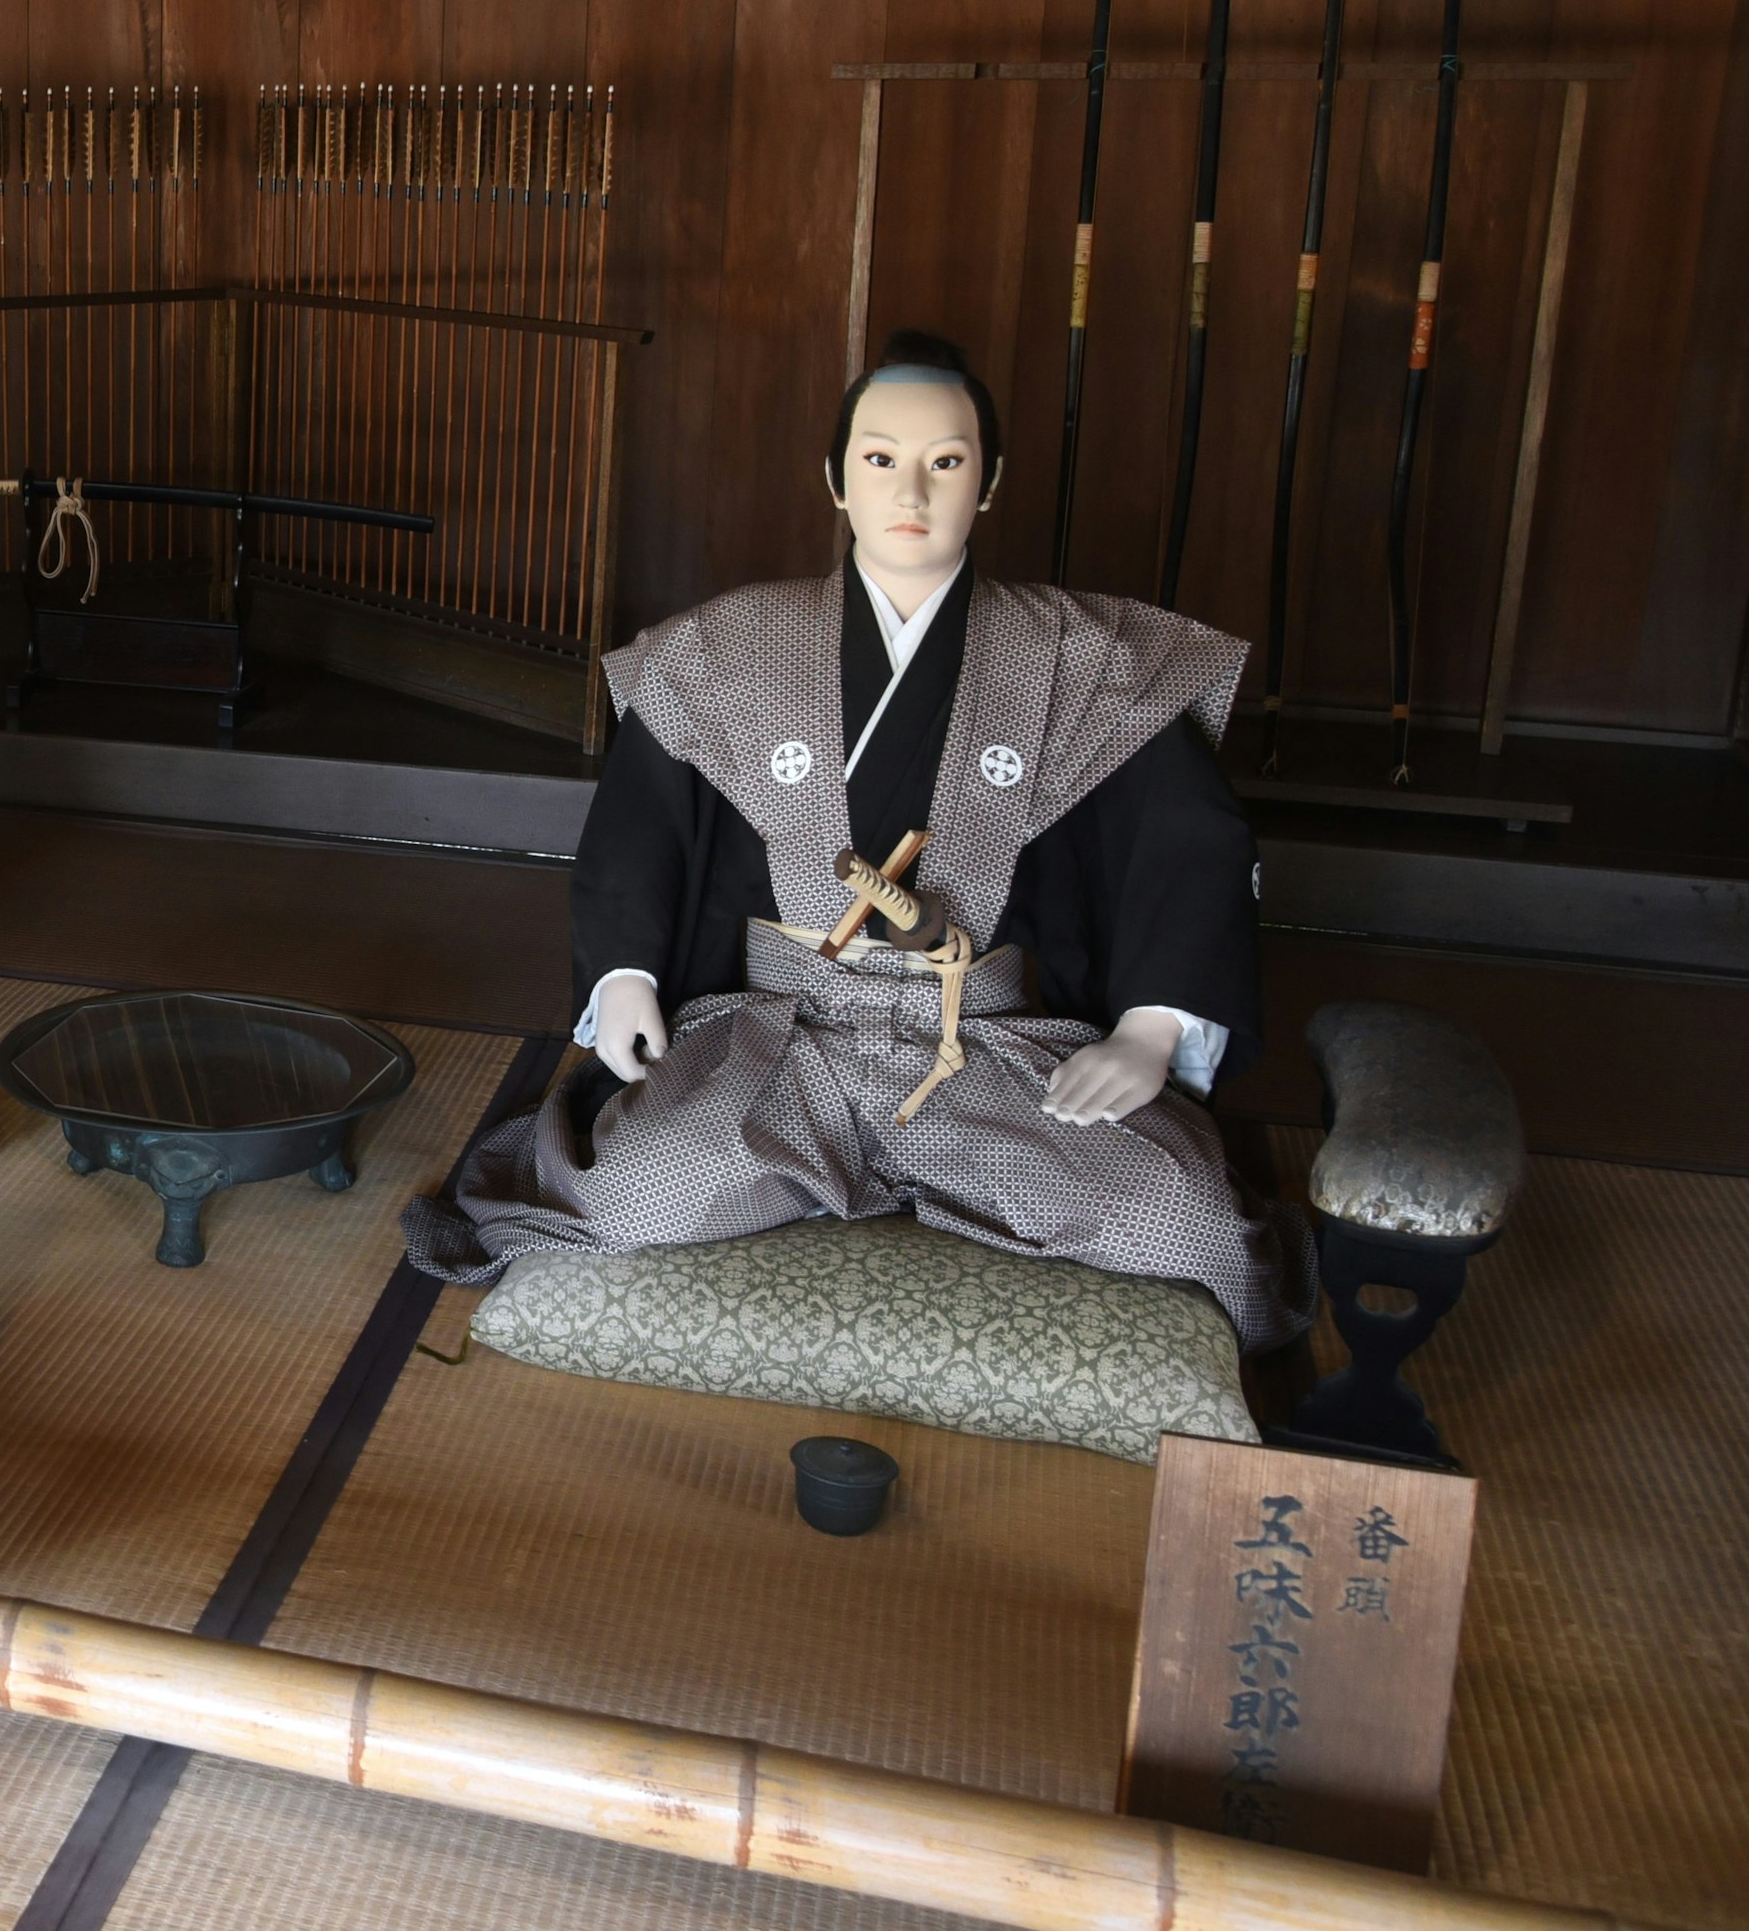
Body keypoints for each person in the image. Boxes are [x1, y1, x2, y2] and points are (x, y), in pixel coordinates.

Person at [409, 331, 1306, 1345]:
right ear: (835, 478)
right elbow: (640, 823)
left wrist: (1153, 1025)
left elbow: (1189, 843)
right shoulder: (733, 643)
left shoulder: (1087, 657)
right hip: (780, 1037)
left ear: (990, 480)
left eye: (947, 461)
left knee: (1184, 1224)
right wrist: (623, 975)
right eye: (879, 457)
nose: (911, 488)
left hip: (986, 1048)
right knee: (623, 1203)